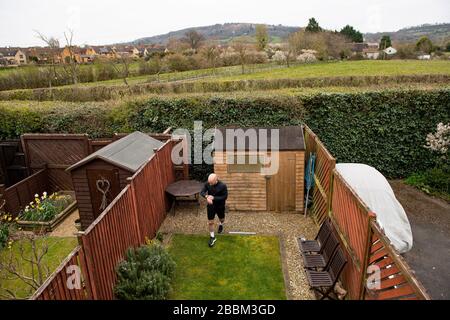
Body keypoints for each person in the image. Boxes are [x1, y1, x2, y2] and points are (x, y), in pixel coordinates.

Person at [200, 173, 228, 247]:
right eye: (209, 183)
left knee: (222, 219)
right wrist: (207, 197)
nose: (210, 184)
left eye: (211, 183)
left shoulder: (223, 186)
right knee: (210, 222)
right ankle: (212, 237)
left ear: (216, 180)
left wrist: (214, 198)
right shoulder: (208, 183)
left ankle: (221, 224)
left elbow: (225, 197)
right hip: (211, 206)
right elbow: (202, 192)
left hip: (220, 206)